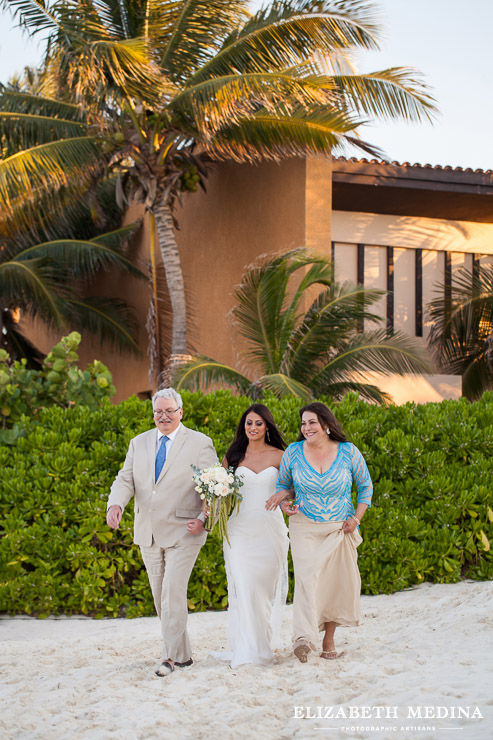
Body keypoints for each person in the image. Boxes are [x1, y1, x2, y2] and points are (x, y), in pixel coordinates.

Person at [106, 387, 218, 677]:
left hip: (186, 531)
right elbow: (125, 478)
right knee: (160, 597)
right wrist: (115, 505)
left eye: (170, 411)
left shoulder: (200, 443)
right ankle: (183, 657)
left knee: (172, 593)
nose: (164, 416)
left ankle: (168, 657)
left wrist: (203, 518)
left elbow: (213, 486)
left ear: (181, 412)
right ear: (153, 414)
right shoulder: (138, 443)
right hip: (148, 532)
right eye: (158, 412)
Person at [266, 402, 372, 663]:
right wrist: (283, 504)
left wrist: (356, 519)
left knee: (333, 583)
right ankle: (303, 637)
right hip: (303, 525)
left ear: (326, 424)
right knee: (305, 577)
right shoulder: (293, 452)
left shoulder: (348, 452)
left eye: (312, 422)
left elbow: (366, 486)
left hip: (338, 528)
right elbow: (284, 485)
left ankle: (328, 639)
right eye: (303, 423)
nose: (306, 428)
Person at [211, 404, 289, 668]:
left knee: (264, 592)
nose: (253, 428)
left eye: (258, 423)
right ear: (243, 426)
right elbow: (218, 493)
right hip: (240, 531)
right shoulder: (233, 456)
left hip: (271, 531)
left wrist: (285, 496)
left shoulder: (282, 455)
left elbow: (293, 488)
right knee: (244, 588)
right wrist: (207, 510)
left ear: (267, 426)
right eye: (248, 423)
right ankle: (247, 650)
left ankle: (264, 645)